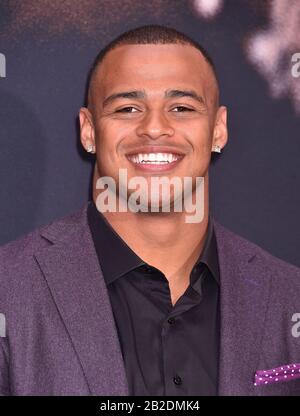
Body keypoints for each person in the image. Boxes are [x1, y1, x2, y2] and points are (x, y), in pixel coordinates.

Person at [0, 24, 299, 396]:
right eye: (128, 108)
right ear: (89, 131)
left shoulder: (290, 295)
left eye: (181, 107)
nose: (155, 128)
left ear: (218, 130)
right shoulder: (7, 292)